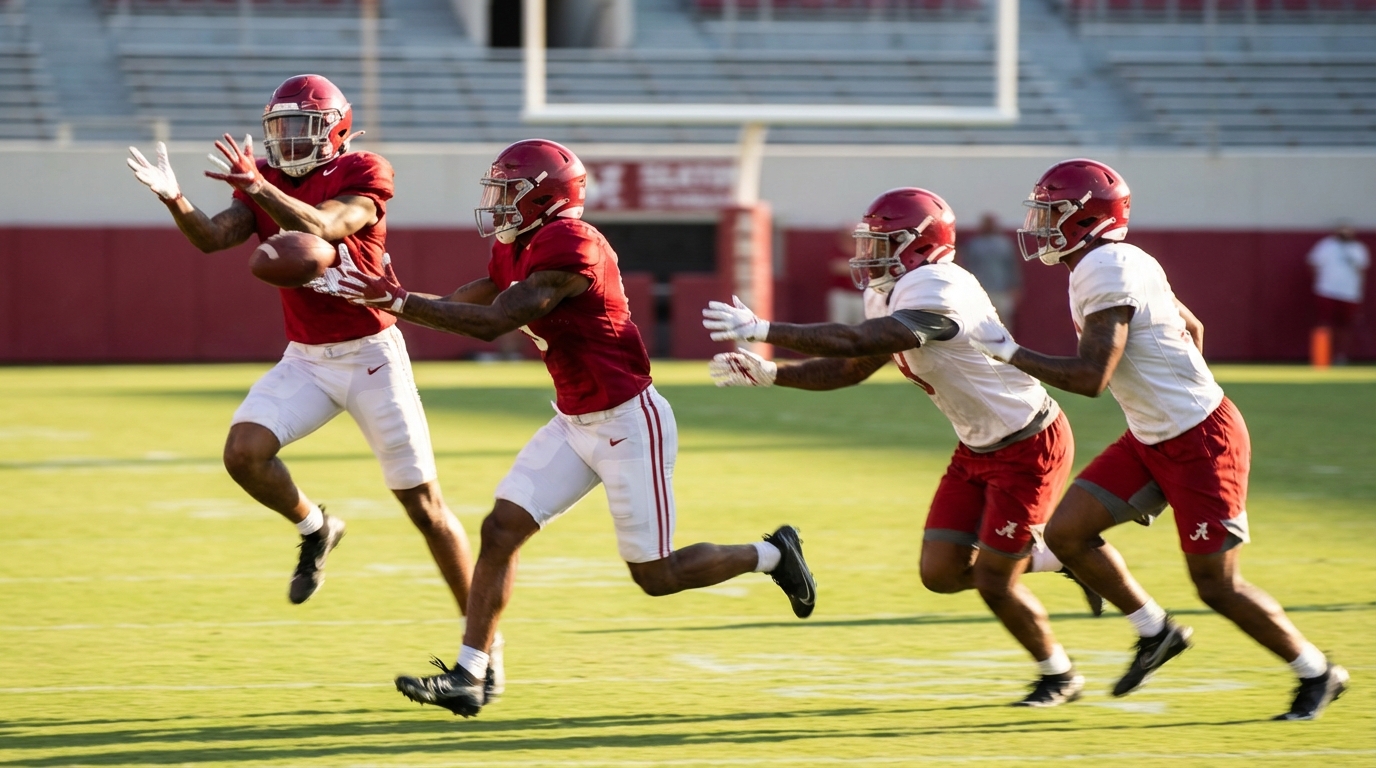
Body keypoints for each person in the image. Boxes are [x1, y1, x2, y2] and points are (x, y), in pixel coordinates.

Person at [313, 138, 817, 718]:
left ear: (544, 198)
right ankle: (470, 675)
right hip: (574, 421)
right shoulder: (523, 242)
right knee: (500, 530)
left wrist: (398, 301)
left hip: (630, 422)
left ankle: (773, 554)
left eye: (507, 191)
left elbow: (496, 321)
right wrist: (383, 301)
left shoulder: (569, 243)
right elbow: (473, 298)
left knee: (657, 576)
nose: (495, 202)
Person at [125, 74, 495, 688]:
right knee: (243, 453)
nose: (290, 140)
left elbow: (325, 227)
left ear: (337, 130)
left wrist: (259, 185)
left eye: (303, 127)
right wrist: (176, 200)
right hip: (307, 358)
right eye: (281, 128)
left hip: (373, 355)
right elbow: (215, 238)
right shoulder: (265, 185)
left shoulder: (365, 172)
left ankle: (483, 648)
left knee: (424, 507)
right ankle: (316, 527)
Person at [970, 158, 1349, 720]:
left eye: (1052, 212)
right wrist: (1168, 385)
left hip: (1200, 442)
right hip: (1156, 436)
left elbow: (1091, 379)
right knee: (1068, 534)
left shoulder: (1106, 269)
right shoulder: (1114, 261)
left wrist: (1008, 352)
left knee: (1216, 585)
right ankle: (1155, 631)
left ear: (1086, 218)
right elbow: (1192, 328)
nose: (1040, 224)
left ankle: (1317, 671)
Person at [703, 187, 1103, 708]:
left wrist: (764, 329)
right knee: (939, 574)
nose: (870, 257)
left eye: (883, 244)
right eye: (869, 244)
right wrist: (773, 373)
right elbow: (850, 368)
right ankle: (1052, 558)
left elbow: (855, 342)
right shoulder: (893, 290)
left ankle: (1060, 674)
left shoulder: (938, 286)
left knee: (992, 579)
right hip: (977, 446)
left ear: (920, 246)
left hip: (1028, 439)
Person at [1307, 224, 1369, 365]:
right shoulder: (1326, 246)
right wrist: (1319, 283)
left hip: (1350, 293)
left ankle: (1340, 355)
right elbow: (1313, 263)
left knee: (1345, 326)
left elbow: (1362, 270)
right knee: (1324, 323)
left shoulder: (1358, 248)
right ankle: (1322, 355)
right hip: (1326, 290)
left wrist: (1359, 291)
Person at [961, 213, 1023, 333]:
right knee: (980, 323)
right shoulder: (974, 244)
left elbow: (1011, 266)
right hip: (980, 290)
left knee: (1004, 322)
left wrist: (1015, 287)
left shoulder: (1004, 244)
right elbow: (968, 267)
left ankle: (1006, 349)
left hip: (1002, 290)